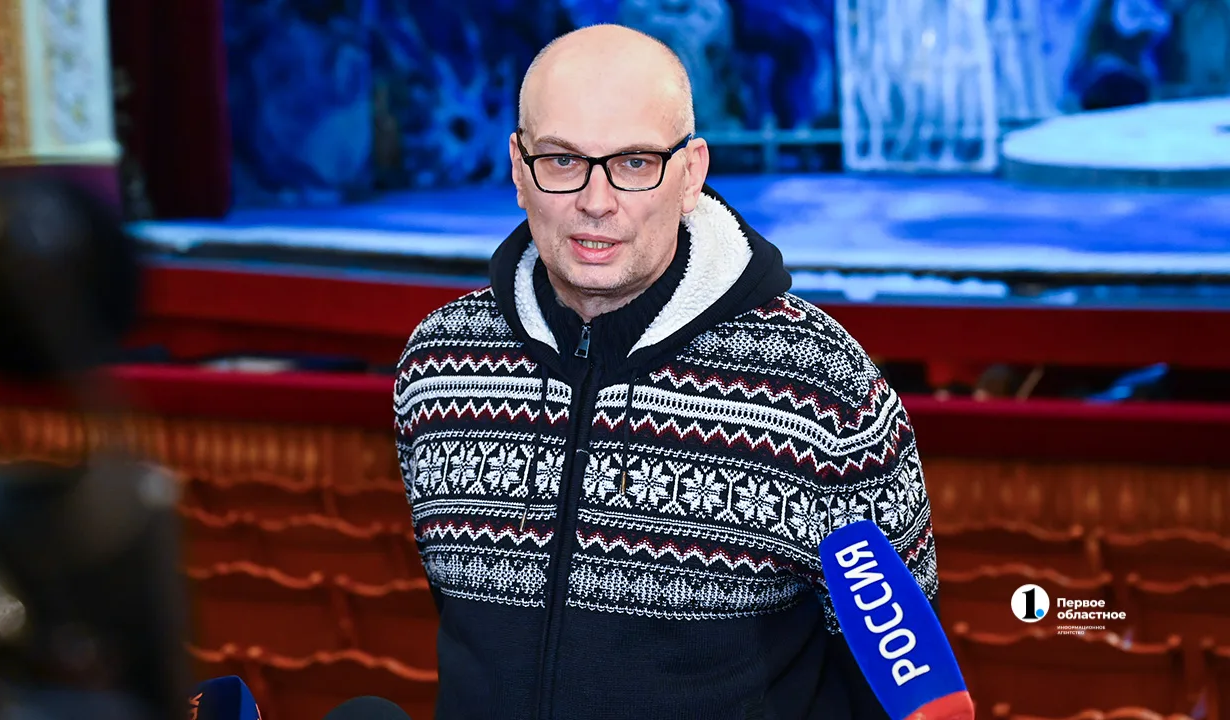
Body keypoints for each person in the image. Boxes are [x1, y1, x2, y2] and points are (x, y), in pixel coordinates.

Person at [394, 24, 940, 720]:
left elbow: (903, 690)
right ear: (519, 169)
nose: (596, 200)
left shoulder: (823, 389)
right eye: (562, 160)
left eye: (634, 162)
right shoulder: (439, 363)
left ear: (691, 173)